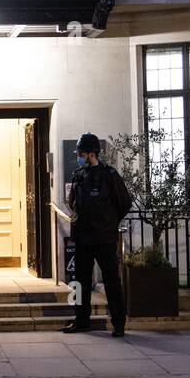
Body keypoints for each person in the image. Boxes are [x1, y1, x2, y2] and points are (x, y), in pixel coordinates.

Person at [63, 132, 133, 337]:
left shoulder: (110, 176)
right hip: (83, 238)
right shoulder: (79, 175)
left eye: (81, 152)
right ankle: (81, 321)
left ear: (92, 154)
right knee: (79, 281)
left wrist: (109, 224)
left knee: (112, 281)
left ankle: (118, 323)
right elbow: (73, 202)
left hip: (104, 238)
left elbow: (125, 203)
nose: (79, 155)